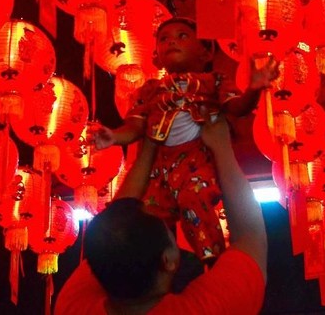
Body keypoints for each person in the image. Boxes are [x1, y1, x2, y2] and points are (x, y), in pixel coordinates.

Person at [93, 17, 278, 262]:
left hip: (196, 165)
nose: (172, 41)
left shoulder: (215, 82)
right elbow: (135, 126)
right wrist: (114, 136)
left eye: (182, 36)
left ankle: (212, 264)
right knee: (147, 221)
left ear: (204, 52)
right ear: (156, 55)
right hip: (159, 172)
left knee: (196, 207)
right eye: (164, 39)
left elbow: (237, 108)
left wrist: (254, 90)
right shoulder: (148, 90)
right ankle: (151, 270)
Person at [55, 114, 267, 315]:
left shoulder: (74, 306)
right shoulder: (206, 308)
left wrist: (148, 146)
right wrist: (221, 145)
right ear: (169, 260)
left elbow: (117, 225)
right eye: (165, 225)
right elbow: (250, 236)